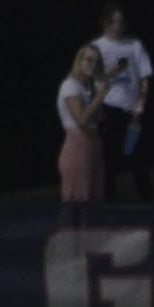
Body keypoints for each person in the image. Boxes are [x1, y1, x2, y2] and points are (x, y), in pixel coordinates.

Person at [92, 1, 154, 201]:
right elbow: (94, 78)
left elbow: (145, 76)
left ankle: (148, 203)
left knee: (138, 157)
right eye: (114, 22)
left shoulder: (134, 45)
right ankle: (110, 205)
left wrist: (141, 105)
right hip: (109, 108)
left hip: (132, 110)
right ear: (105, 23)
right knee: (110, 160)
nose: (118, 26)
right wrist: (114, 71)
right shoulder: (97, 47)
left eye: (121, 22)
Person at [56, 43, 108, 201]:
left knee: (94, 198)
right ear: (79, 61)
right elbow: (82, 121)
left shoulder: (87, 88)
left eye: (96, 62)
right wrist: (100, 97)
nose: (93, 65)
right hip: (78, 146)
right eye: (88, 60)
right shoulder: (70, 86)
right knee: (78, 201)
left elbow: (100, 117)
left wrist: (97, 97)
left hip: (93, 144)